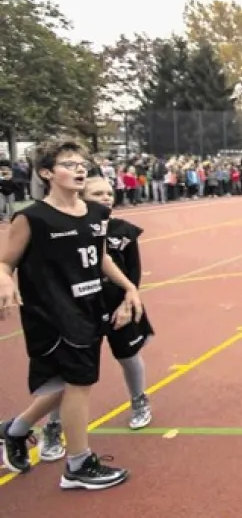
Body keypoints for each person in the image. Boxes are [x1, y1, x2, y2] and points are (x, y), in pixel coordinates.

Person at [0, 142, 142, 490]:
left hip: (88, 307)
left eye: (82, 163)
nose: (79, 169)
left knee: (69, 382)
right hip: (52, 312)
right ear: (46, 173)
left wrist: (129, 288)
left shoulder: (96, 213)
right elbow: (5, 261)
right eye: (68, 164)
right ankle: (78, 464)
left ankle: (14, 430)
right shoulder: (32, 218)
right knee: (79, 383)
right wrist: (4, 280)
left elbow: (101, 256)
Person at [36, 176, 156, 463]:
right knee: (70, 371)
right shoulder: (65, 231)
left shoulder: (123, 231)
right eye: (97, 193)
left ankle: (139, 400)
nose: (106, 198)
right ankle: (53, 425)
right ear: (81, 197)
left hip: (117, 306)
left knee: (128, 356)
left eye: (109, 193)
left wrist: (128, 302)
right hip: (79, 311)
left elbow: (133, 273)